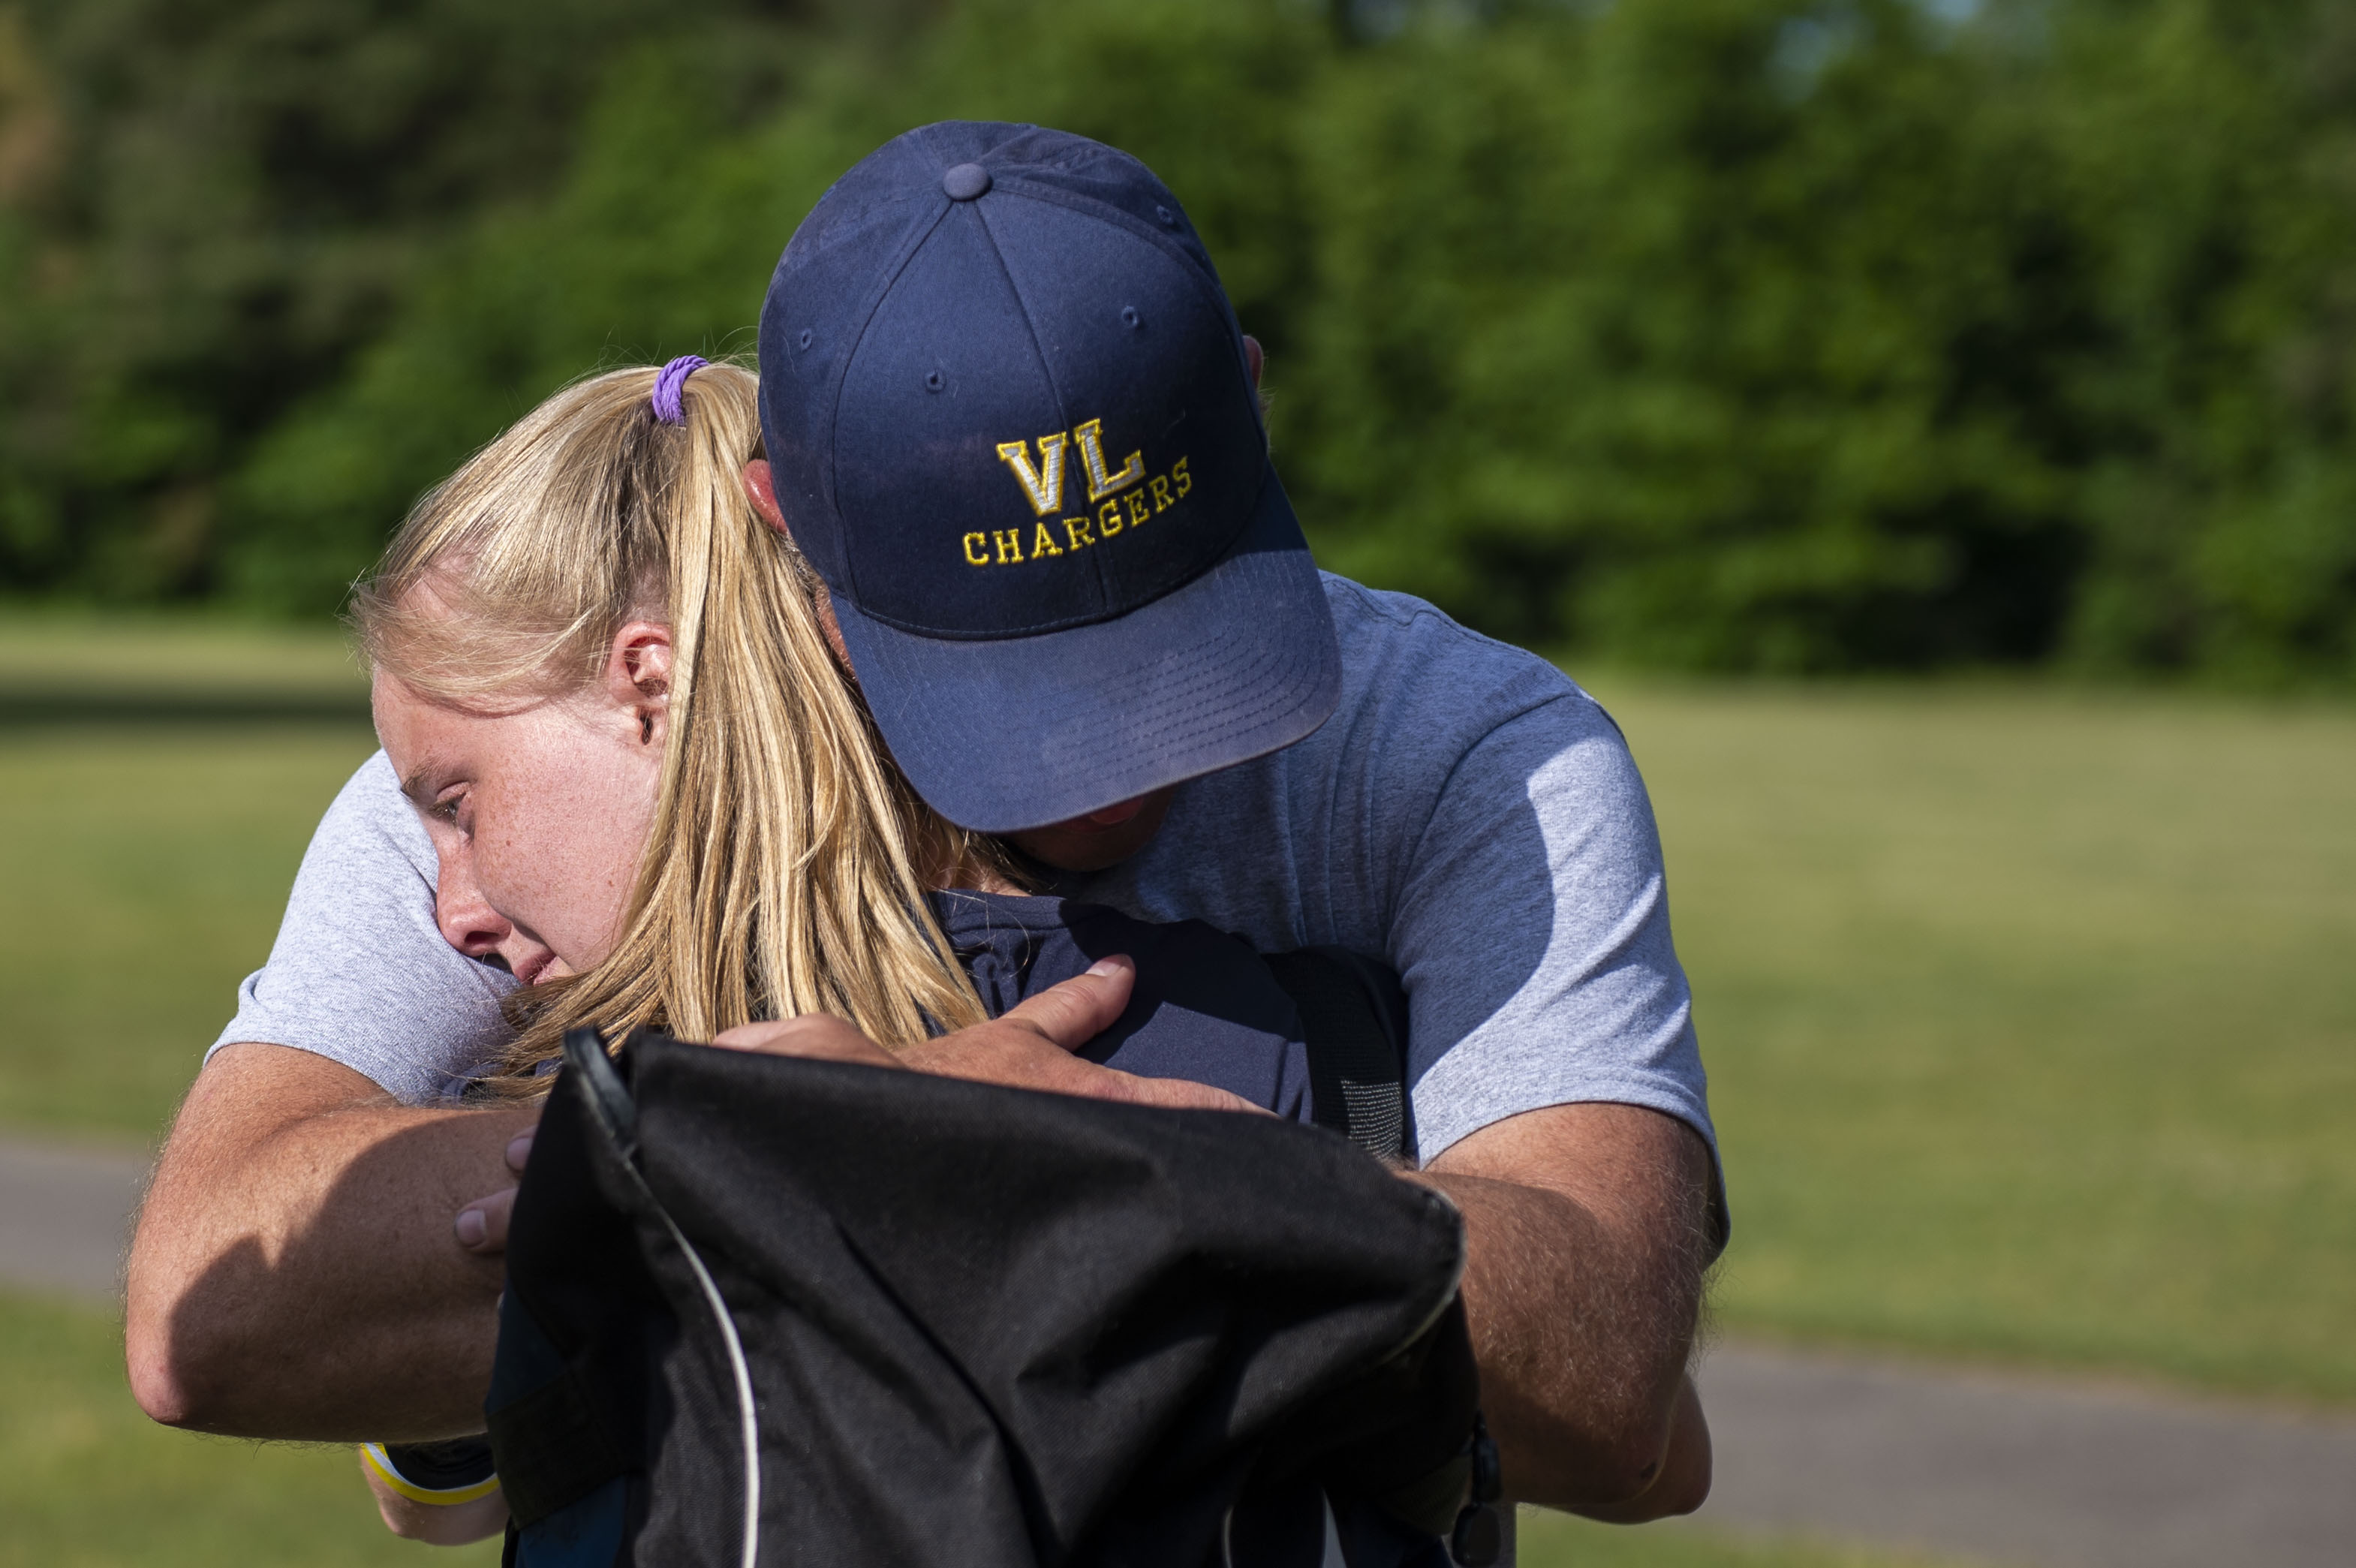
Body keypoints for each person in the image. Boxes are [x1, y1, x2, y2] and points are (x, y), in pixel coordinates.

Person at [128, 120, 1721, 1525]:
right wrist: (821, 1154)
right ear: (786, 529)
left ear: (1245, 400)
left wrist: (974, 1161)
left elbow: (1620, 1398)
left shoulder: (1471, 750)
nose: (1109, 766)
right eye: (1002, 666)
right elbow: (212, 1303)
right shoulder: (507, 753)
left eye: (1173, 637)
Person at [345, 355, 1427, 1547]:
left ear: (647, 686)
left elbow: (431, 1492)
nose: (452, 912)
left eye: (456, 803)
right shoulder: (1277, 1024)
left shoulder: (603, 1132)